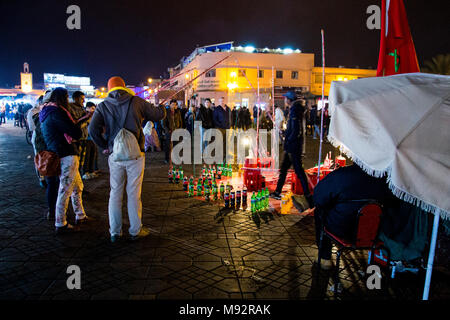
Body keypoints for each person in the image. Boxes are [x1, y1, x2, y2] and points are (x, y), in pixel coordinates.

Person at [88, 76, 166, 242]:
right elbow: (158, 115)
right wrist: (161, 106)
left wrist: (105, 146)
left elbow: (92, 130)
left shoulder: (102, 106)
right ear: (124, 87)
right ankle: (135, 230)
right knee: (133, 193)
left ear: (109, 89)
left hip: (115, 155)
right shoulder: (136, 101)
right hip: (135, 154)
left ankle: (115, 232)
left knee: (115, 193)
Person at [312, 164, 394, 269]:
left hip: (342, 229)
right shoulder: (384, 178)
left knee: (320, 210)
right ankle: (375, 281)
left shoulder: (342, 175)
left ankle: (324, 257)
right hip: (374, 232)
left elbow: (319, 197)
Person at [40, 87, 89, 234]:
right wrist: (81, 122)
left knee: (77, 186)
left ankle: (80, 214)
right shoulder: (57, 113)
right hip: (66, 153)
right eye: (66, 97)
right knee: (65, 189)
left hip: (58, 152)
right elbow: (74, 132)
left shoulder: (46, 113)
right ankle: (60, 222)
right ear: (62, 98)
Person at [270, 91, 313, 209]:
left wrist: (288, 139)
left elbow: (296, 130)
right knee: (284, 169)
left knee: (299, 171)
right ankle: (278, 192)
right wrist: (285, 132)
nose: (284, 101)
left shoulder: (295, 110)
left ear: (289, 100)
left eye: (285, 99)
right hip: (292, 146)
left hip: (293, 147)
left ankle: (308, 196)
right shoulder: (296, 109)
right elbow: (293, 129)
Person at [69, 91, 89, 178]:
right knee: (76, 164)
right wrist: (87, 119)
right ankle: (75, 186)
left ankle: (79, 187)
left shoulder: (82, 108)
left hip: (83, 138)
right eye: (82, 99)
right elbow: (76, 125)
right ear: (75, 98)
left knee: (81, 163)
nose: (83, 101)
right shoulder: (71, 109)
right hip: (76, 140)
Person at [162, 99, 182, 164]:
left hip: (176, 131)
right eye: (172, 104)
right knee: (168, 146)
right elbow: (163, 123)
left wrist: (179, 128)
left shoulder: (177, 112)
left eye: (175, 105)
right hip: (169, 131)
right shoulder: (166, 112)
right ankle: (167, 159)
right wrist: (167, 130)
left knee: (176, 145)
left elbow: (180, 121)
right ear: (170, 104)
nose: (173, 106)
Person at [82, 102, 98, 180]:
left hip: (93, 139)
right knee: (86, 157)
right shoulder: (85, 115)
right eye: (91, 108)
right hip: (86, 139)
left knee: (93, 155)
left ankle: (91, 171)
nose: (93, 110)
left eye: (94, 109)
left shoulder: (93, 116)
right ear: (87, 108)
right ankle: (85, 172)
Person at [213, 98, 231, 162]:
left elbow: (231, 117)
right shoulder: (217, 109)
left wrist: (230, 125)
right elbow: (215, 119)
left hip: (227, 128)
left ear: (225, 101)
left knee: (226, 143)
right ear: (219, 102)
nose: (222, 102)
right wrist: (220, 125)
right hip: (220, 128)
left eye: (223, 101)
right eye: (221, 101)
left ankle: (225, 155)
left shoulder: (228, 109)